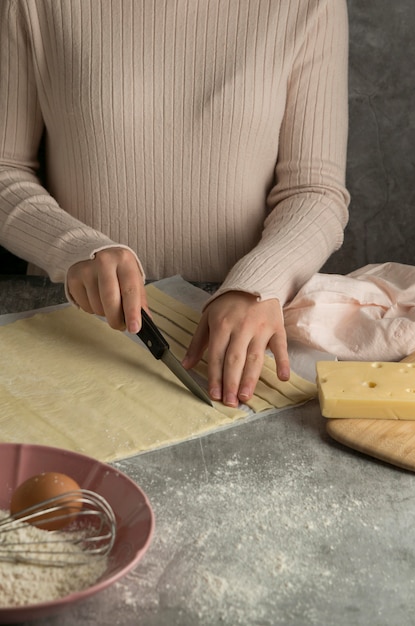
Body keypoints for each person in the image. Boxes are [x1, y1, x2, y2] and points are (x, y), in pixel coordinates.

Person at [0, 0, 349, 408]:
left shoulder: (311, 6)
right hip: (70, 323)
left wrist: (257, 283)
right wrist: (72, 247)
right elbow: (5, 168)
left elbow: (315, 189)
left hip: (236, 333)